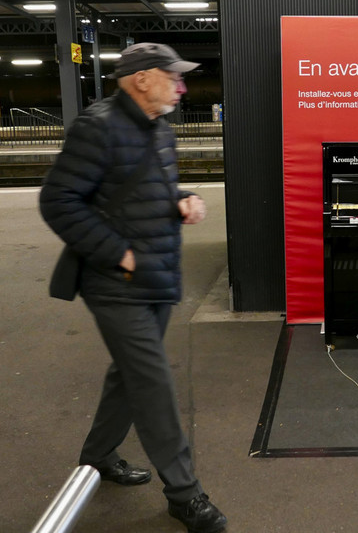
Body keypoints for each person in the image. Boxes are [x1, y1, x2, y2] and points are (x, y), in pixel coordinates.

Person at [39, 43, 226, 533]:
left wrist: (184, 198)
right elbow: (58, 200)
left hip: (156, 276)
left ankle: (98, 455)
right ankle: (184, 494)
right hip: (114, 282)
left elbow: (147, 190)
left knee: (129, 374)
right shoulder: (97, 127)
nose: (182, 87)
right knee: (152, 381)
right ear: (142, 79)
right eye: (173, 77)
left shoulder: (159, 129)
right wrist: (117, 252)